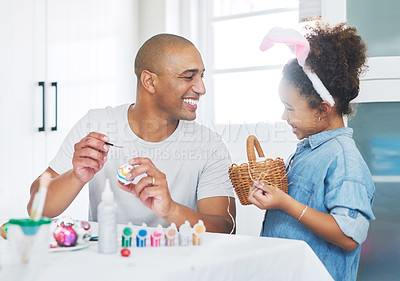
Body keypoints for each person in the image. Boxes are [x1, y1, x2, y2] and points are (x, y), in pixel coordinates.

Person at [27, 34, 236, 233]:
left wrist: (170, 209)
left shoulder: (210, 145)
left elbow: (226, 228)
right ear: (149, 81)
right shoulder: (96, 124)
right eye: (189, 76)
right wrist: (76, 176)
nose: (201, 88)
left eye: (201, 76)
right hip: (109, 262)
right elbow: (37, 209)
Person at [248, 23, 375, 281]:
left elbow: (349, 236)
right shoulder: (307, 151)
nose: (284, 116)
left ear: (323, 109)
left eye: (290, 108)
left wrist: (285, 203)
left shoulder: (344, 159)